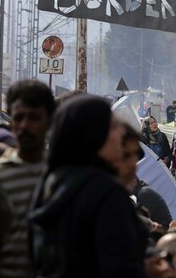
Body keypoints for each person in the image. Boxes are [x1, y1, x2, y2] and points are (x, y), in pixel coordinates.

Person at [28, 94, 147, 277]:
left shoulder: (50, 182)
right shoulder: (106, 192)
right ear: (93, 133)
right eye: (113, 126)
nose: (121, 134)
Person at [0, 80, 56, 278]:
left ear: (49, 121)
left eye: (35, 118)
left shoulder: (63, 175)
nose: (26, 126)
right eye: (19, 118)